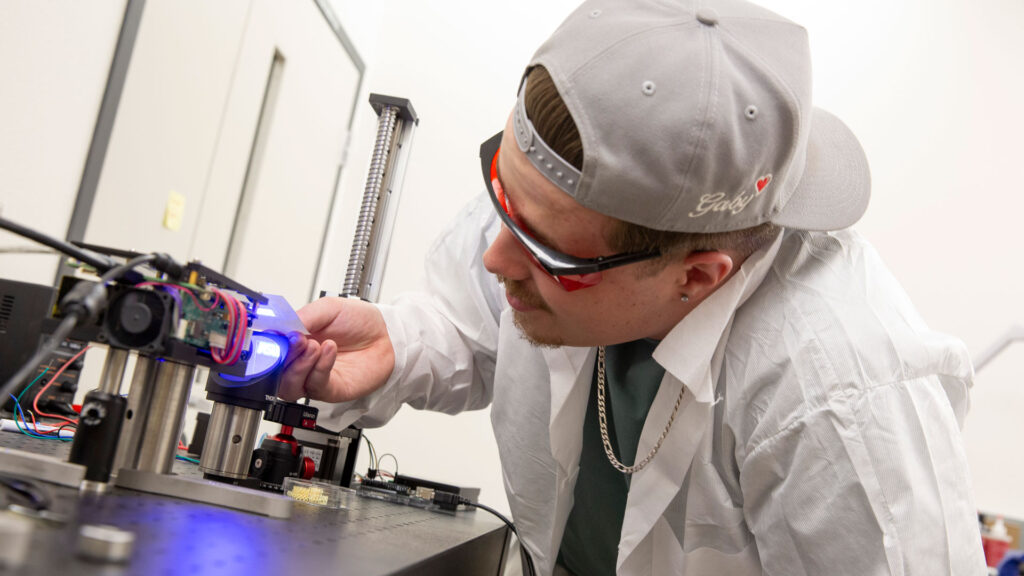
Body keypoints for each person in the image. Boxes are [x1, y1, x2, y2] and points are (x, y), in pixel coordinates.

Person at [280, 0, 986, 574]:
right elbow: (473, 324)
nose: (497, 257)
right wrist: (396, 344)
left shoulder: (842, 398)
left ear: (697, 275)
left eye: (542, 249)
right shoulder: (565, 206)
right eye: (503, 197)